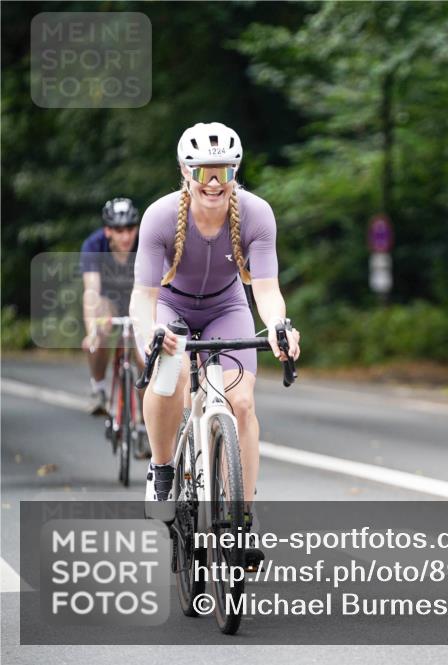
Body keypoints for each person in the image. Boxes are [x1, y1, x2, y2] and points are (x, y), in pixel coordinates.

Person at [130, 122, 300, 566]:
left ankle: (242, 517)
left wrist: (280, 326)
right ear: (186, 172)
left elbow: (264, 289)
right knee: (174, 373)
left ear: (235, 172)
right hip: (170, 306)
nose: (212, 182)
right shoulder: (160, 216)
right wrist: (151, 332)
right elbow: (143, 296)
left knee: (241, 403)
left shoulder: (257, 214)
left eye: (222, 172)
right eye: (203, 171)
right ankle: (163, 467)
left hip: (227, 306)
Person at [81, 198, 141, 416]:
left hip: (138, 298)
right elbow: (91, 291)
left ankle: (146, 417)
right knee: (100, 332)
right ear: (108, 231)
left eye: (130, 229)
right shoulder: (93, 245)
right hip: (110, 301)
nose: (126, 236)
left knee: (145, 348)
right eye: (118, 230)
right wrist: (92, 333)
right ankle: (99, 389)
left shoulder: (146, 242)